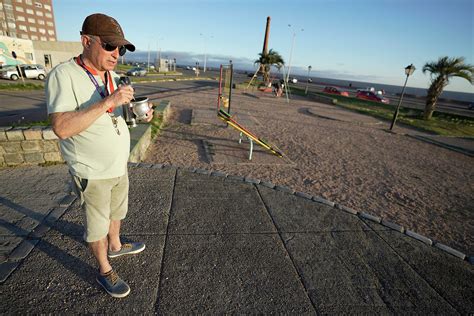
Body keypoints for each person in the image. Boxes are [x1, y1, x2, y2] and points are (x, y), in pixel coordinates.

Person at [46, 13, 153, 298]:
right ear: (86, 41)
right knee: (96, 226)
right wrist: (109, 100)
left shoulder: (113, 76)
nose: (116, 53)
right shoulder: (63, 75)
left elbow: (114, 115)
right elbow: (62, 128)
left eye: (120, 48)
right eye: (109, 45)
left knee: (117, 212)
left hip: (118, 164)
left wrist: (136, 114)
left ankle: (115, 246)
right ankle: (104, 269)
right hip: (90, 170)